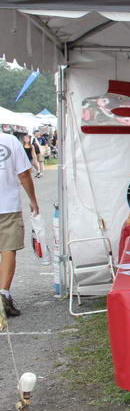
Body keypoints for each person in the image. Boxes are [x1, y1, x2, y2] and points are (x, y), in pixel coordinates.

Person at [1, 130, 39, 317]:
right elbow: (24, 174)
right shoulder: (10, 141)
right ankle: (3, 294)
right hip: (7, 205)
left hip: (8, 205)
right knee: (8, 249)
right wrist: (33, 199)